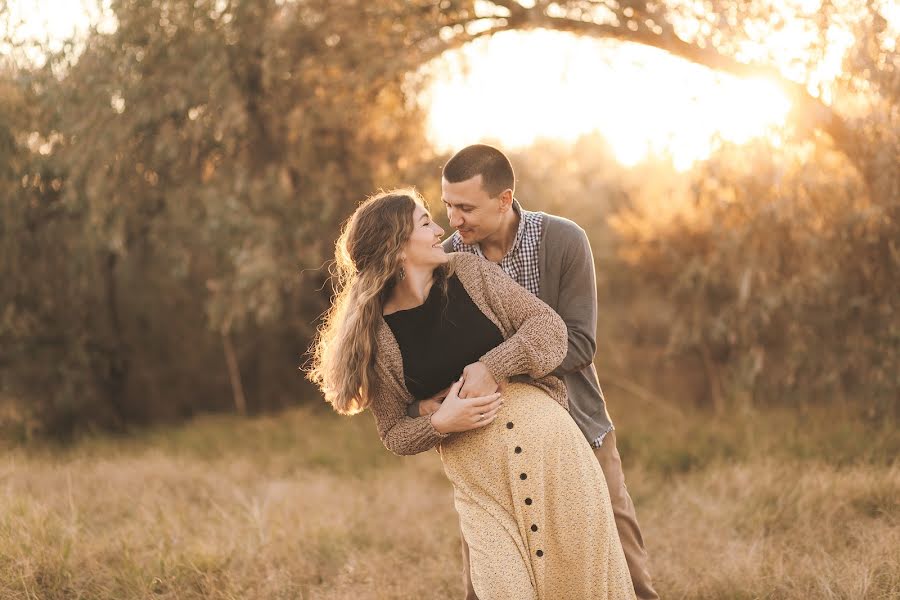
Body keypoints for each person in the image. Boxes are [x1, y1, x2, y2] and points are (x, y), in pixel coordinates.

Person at [308, 188, 635, 599]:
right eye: (425, 222)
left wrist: (491, 366)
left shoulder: (469, 272)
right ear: (396, 248)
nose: (440, 228)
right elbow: (393, 432)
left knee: (582, 588)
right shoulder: (379, 337)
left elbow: (550, 330)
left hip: (554, 455)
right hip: (482, 489)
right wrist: (440, 423)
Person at [406, 144, 659, 600]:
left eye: (466, 207)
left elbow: (578, 343)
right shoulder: (445, 263)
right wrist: (423, 402)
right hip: (488, 444)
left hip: (579, 426)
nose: (453, 220)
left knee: (624, 565)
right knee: (485, 580)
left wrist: (493, 367)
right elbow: (423, 365)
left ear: (504, 200)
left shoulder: (563, 241)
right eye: (447, 205)